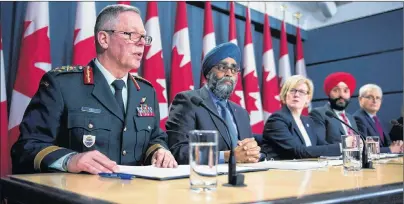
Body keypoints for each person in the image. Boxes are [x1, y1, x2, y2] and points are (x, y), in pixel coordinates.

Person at [11, 4, 177, 175]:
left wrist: (159, 151)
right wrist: (69, 160)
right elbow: (26, 147)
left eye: (143, 36)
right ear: (104, 39)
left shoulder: (145, 91)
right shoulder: (62, 85)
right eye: (131, 34)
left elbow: (155, 138)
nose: (142, 42)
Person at [166, 42, 262, 164]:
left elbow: (246, 153)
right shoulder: (189, 101)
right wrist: (228, 156)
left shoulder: (242, 113)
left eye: (234, 69)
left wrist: (253, 152)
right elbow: (178, 151)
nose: (229, 74)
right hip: (204, 179)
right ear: (208, 74)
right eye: (222, 68)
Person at [261, 75, 341, 160]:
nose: (296, 95)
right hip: (281, 171)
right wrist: (340, 147)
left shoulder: (308, 121)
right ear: (285, 94)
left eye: (302, 92)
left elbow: (322, 146)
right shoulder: (277, 120)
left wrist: (344, 147)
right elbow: (298, 151)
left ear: (308, 98)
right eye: (292, 90)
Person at [310, 72, 359, 144]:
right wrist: (345, 146)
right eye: (336, 90)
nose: (341, 95)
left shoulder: (350, 118)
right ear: (329, 93)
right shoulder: (319, 114)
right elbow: (320, 143)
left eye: (345, 91)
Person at [353, 84, 403, 153]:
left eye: (377, 98)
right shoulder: (358, 119)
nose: (374, 101)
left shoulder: (378, 120)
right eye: (370, 97)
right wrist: (390, 149)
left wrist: (397, 145)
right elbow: (363, 149)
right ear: (360, 99)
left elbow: (387, 144)